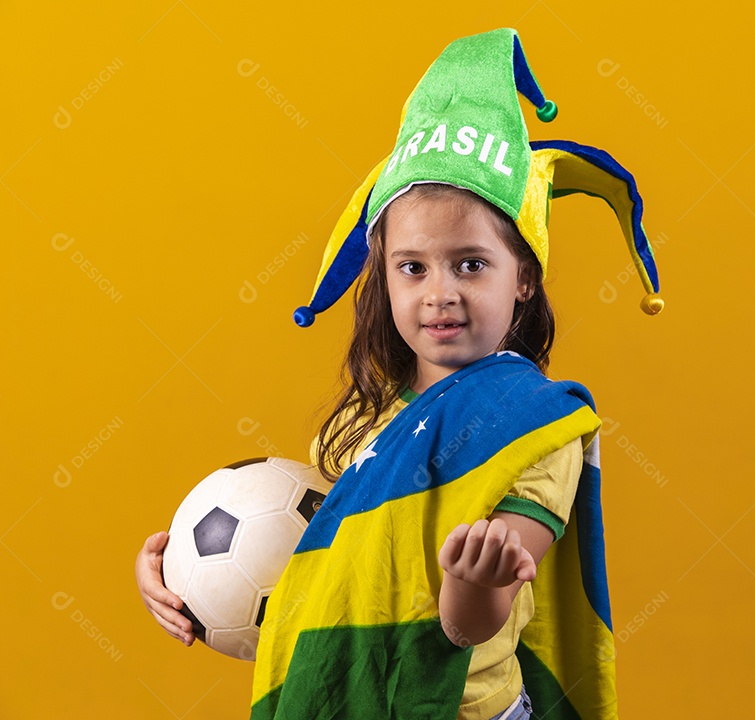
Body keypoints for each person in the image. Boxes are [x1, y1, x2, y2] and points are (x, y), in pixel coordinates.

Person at [136, 28, 663, 720]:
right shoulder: (365, 422)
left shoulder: (536, 428)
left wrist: (473, 582)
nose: (439, 292)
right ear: (384, 278)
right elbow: (313, 572)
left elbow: (468, 626)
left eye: (470, 264)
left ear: (525, 278)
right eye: (413, 267)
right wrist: (182, 580)